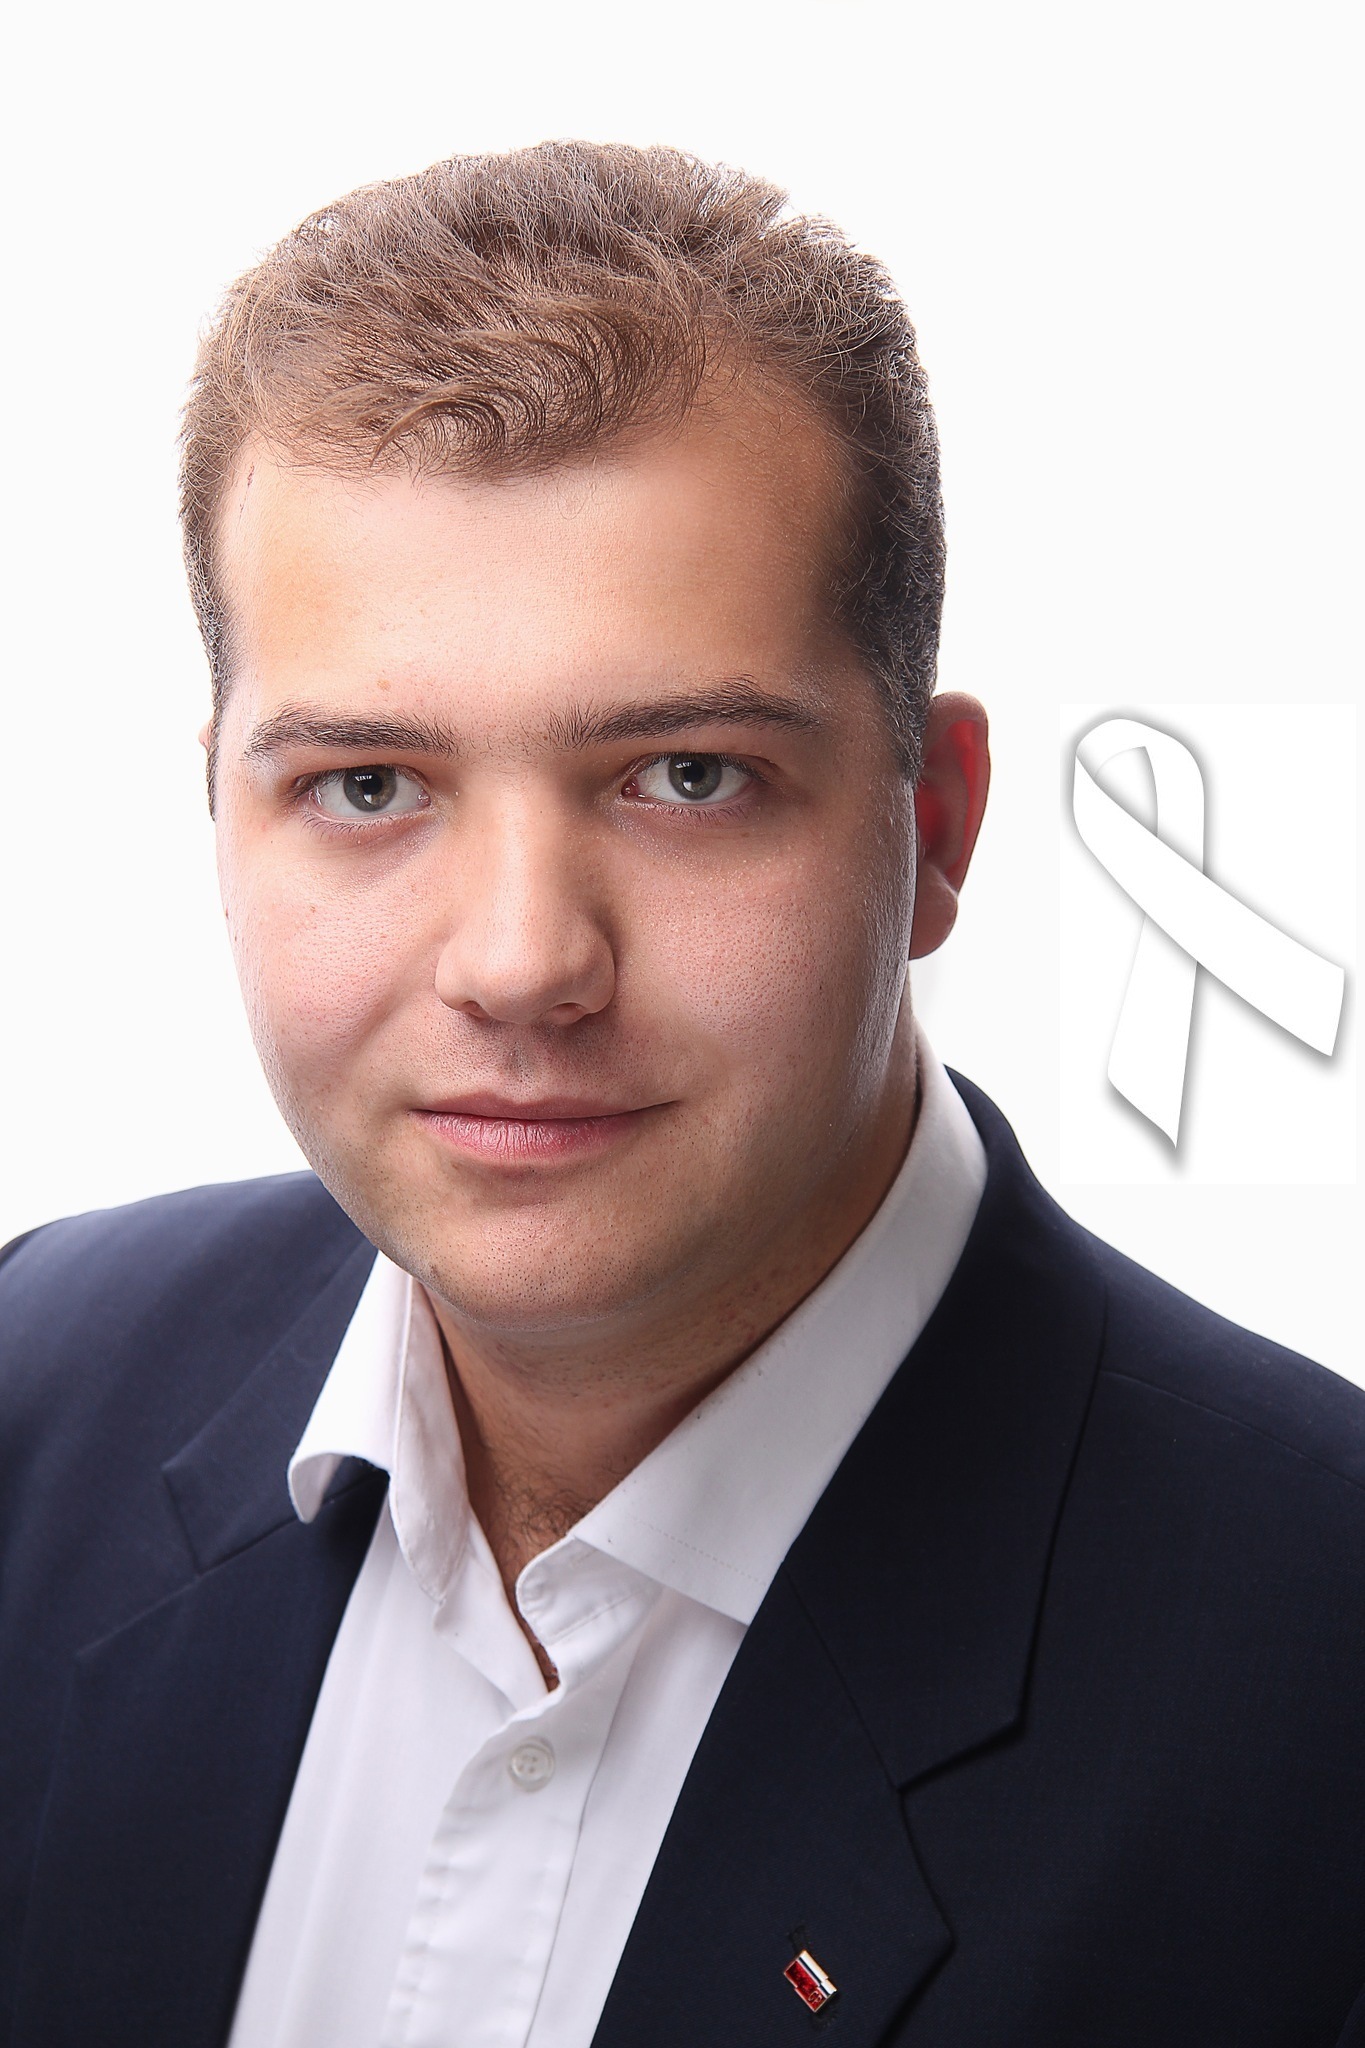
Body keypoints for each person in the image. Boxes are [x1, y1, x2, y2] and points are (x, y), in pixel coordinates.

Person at [2, 141, 1362, 2048]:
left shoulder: (1320, 1673)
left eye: (687, 776)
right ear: (220, 820)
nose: (520, 962)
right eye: (367, 787)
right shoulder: (35, 1390)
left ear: (935, 828)